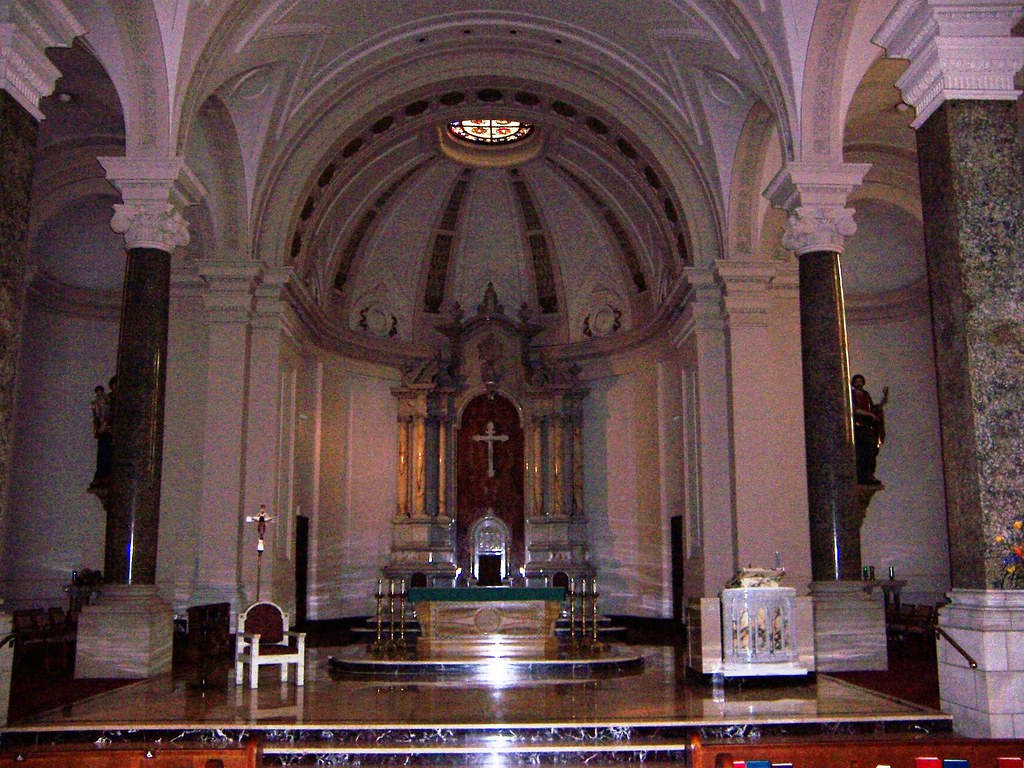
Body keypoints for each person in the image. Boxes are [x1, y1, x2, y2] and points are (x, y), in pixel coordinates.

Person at [851, 374, 888, 486]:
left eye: (861, 381)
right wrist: (869, 415)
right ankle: (862, 476)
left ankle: (869, 475)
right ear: (854, 383)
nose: (859, 383)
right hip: (859, 427)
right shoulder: (852, 395)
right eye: (857, 381)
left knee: (870, 453)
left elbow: (873, 409)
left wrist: (884, 399)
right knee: (862, 453)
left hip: (868, 428)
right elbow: (855, 410)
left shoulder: (866, 395)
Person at [91, 383, 112, 484]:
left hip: (108, 430)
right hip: (103, 432)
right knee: (102, 453)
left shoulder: (108, 400)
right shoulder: (97, 403)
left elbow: (108, 415)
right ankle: (101, 475)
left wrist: (105, 425)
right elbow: (96, 417)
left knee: (108, 452)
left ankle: (106, 474)